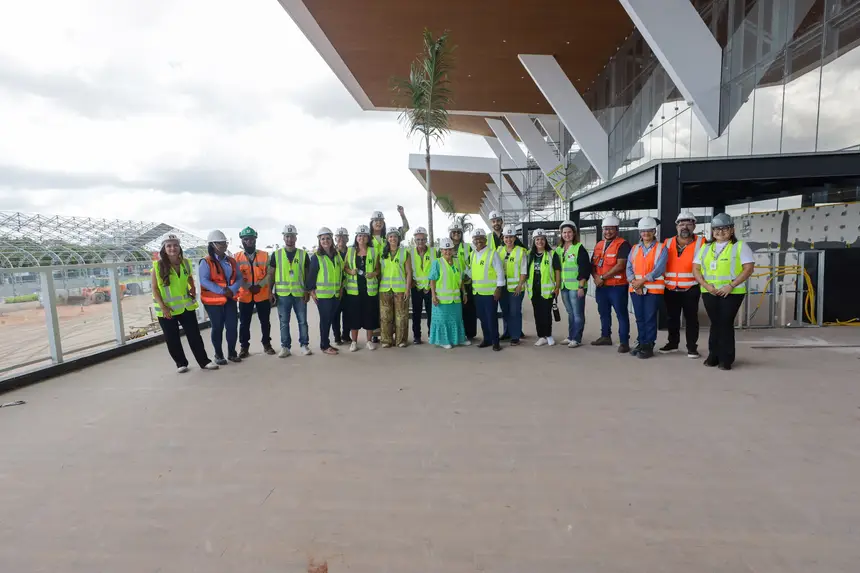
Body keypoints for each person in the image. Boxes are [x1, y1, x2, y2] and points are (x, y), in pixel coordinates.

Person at [693, 213, 755, 371]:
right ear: (712, 231)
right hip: (710, 292)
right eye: (716, 229)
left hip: (732, 292)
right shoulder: (706, 248)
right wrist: (706, 285)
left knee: (725, 323)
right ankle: (713, 356)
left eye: (724, 228)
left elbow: (748, 269)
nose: (720, 232)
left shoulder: (740, 246)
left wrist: (731, 285)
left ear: (732, 230)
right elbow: (696, 269)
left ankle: (726, 359)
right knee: (715, 323)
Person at [151, 235, 218, 372]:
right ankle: (181, 363)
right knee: (172, 338)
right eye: (169, 246)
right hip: (167, 309)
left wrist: (192, 287)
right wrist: (163, 307)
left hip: (186, 306)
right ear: (164, 249)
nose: (173, 248)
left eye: (175, 245)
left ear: (179, 247)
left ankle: (204, 361)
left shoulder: (185, 263)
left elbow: (188, 276)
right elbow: (155, 289)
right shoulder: (157, 266)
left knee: (194, 335)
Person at [660, 212, 705, 358]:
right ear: (676, 226)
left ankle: (692, 347)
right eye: (681, 224)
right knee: (672, 318)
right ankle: (672, 343)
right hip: (670, 287)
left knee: (691, 319)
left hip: (691, 287)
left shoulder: (702, 243)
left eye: (688, 224)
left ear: (694, 226)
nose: (685, 227)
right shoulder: (667, 243)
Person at [627, 217, 668, 359]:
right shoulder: (634, 248)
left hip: (653, 290)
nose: (646, 233)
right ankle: (641, 342)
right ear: (640, 232)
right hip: (636, 289)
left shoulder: (661, 248)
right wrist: (634, 282)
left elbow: (659, 269)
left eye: (649, 230)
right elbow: (629, 268)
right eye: (643, 231)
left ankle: (649, 345)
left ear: (654, 231)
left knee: (649, 318)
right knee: (640, 318)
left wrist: (641, 281)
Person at [268, 224, 312, 357]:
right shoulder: (276, 255)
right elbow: (271, 274)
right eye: (287, 236)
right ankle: (285, 347)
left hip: (299, 293)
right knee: (284, 322)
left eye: (292, 236)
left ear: (296, 238)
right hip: (283, 294)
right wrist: (270, 291)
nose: (289, 239)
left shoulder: (303, 255)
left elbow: (308, 274)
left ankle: (304, 345)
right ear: (283, 237)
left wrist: (307, 291)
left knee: (302, 321)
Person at [199, 229, 242, 365]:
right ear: (212, 245)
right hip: (213, 301)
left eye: (225, 242)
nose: (223, 245)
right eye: (220, 243)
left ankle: (232, 353)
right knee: (217, 327)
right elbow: (204, 280)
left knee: (232, 326)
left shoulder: (231, 261)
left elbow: (239, 278)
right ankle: (218, 354)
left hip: (229, 299)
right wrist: (222, 291)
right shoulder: (206, 262)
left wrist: (232, 290)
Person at [591, 215, 632, 353]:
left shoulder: (623, 244)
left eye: (611, 229)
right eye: (605, 229)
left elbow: (621, 265)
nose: (608, 232)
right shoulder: (599, 245)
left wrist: (602, 277)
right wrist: (596, 277)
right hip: (602, 287)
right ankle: (605, 336)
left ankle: (624, 342)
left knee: (621, 314)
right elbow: (593, 265)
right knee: (603, 313)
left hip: (617, 286)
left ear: (616, 229)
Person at [369, 206, 410, 342]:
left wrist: (402, 215)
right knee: (379, 310)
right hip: (374, 278)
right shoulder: (368, 238)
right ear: (371, 222)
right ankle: (377, 335)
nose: (378, 222)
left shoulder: (388, 235)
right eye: (376, 220)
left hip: (388, 277)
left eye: (381, 220)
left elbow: (405, 228)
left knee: (392, 312)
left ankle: (393, 336)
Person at [235, 227, 275, 358]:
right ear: (242, 241)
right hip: (245, 295)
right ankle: (244, 347)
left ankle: (267, 344)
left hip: (262, 294)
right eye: (246, 239)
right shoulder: (236, 257)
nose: (249, 242)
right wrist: (247, 286)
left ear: (255, 239)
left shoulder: (265, 255)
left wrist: (259, 285)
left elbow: (269, 273)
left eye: (251, 239)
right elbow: (235, 276)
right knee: (244, 323)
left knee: (265, 322)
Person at [343, 224, 380, 352]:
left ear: (368, 238)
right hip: (354, 290)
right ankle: (354, 342)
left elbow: (378, 269)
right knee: (354, 317)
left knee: (369, 316)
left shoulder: (374, 251)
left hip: (369, 290)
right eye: (359, 236)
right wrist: (350, 271)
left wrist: (373, 274)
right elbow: (345, 267)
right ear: (356, 237)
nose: (362, 238)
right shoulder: (350, 251)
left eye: (364, 236)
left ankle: (369, 341)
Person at [307, 227, 344, 355]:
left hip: (335, 294)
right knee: (325, 320)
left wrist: (341, 287)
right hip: (323, 296)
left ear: (332, 240)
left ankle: (327, 343)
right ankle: (324, 345)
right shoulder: (317, 257)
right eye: (323, 239)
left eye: (328, 238)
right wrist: (312, 292)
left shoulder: (337, 255)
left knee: (330, 319)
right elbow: (311, 275)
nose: (325, 241)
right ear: (319, 241)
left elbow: (341, 272)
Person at [554, 221, 590, 348]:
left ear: (574, 233)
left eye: (569, 232)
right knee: (570, 313)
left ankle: (577, 338)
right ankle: (571, 336)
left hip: (577, 287)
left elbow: (585, 268)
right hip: (564, 287)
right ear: (561, 234)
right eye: (564, 232)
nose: (567, 235)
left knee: (577, 314)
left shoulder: (579, 248)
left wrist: (581, 286)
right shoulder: (559, 250)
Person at [429, 237, 470, 349]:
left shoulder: (457, 262)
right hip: (441, 299)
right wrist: (433, 296)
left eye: (449, 249)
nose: (447, 252)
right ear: (441, 251)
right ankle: (443, 341)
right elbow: (432, 280)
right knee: (443, 321)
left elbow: (461, 279)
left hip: (455, 299)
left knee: (457, 319)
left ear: (453, 250)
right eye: (445, 249)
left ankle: (459, 339)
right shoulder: (437, 263)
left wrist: (464, 293)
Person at [469, 229, 505, 351]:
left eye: (480, 238)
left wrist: (499, 288)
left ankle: (496, 342)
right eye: (475, 238)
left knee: (491, 318)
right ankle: (487, 339)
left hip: (490, 293)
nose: (478, 241)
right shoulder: (473, 254)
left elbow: (500, 272)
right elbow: (472, 271)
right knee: (482, 317)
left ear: (485, 240)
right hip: (477, 292)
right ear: (473, 240)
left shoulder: (492, 253)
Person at [379, 228, 412, 348]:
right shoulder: (382, 253)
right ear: (387, 239)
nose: (393, 239)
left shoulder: (404, 253)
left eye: (395, 237)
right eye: (390, 236)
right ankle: (386, 340)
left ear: (399, 239)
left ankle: (401, 340)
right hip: (385, 289)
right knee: (385, 316)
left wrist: (407, 289)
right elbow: (379, 271)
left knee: (401, 316)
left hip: (400, 289)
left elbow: (409, 272)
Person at [528, 229, 561, 346]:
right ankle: (541, 336)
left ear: (545, 240)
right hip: (534, 289)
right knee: (537, 313)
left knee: (546, 313)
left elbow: (557, 271)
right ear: (534, 241)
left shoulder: (552, 254)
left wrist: (557, 287)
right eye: (537, 239)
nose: (540, 241)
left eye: (542, 239)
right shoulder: (530, 255)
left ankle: (549, 335)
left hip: (547, 290)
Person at [498, 224, 528, 346]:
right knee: (505, 311)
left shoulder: (521, 251)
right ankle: (507, 332)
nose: (508, 239)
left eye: (511, 237)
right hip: (503, 287)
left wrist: (520, 285)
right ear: (503, 238)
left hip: (516, 287)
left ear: (515, 238)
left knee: (515, 312)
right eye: (506, 237)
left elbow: (524, 270)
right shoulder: (499, 251)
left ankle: (515, 336)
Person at [449, 222, 477, 340]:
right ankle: (456, 334)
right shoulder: (446, 247)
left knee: (469, 309)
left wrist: (468, 275)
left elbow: (473, 263)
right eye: (454, 232)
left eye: (458, 232)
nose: (456, 234)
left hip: (466, 282)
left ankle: (469, 333)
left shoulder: (468, 247)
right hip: (452, 284)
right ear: (450, 233)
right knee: (454, 310)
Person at [410, 226, 435, 344]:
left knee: (431, 313)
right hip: (416, 287)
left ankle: (431, 334)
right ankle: (416, 336)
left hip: (430, 287)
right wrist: (411, 282)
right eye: (418, 239)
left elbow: (436, 270)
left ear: (426, 239)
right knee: (416, 313)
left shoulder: (433, 252)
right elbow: (407, 270)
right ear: (414, 240)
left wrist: (431, 285)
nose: (420, 242)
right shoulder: (410, 253)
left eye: (423, 239)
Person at [331, 227, 350, 345]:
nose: (341, 239)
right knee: (335, 314)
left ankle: (346, 335)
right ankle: (337, 337)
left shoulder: (352, 251)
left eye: (344, 236)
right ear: (335, 238)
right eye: (339, 236)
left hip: (349, 288)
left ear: (348, 238)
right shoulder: (332, 253)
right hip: (336, 289)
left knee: (348, 314)